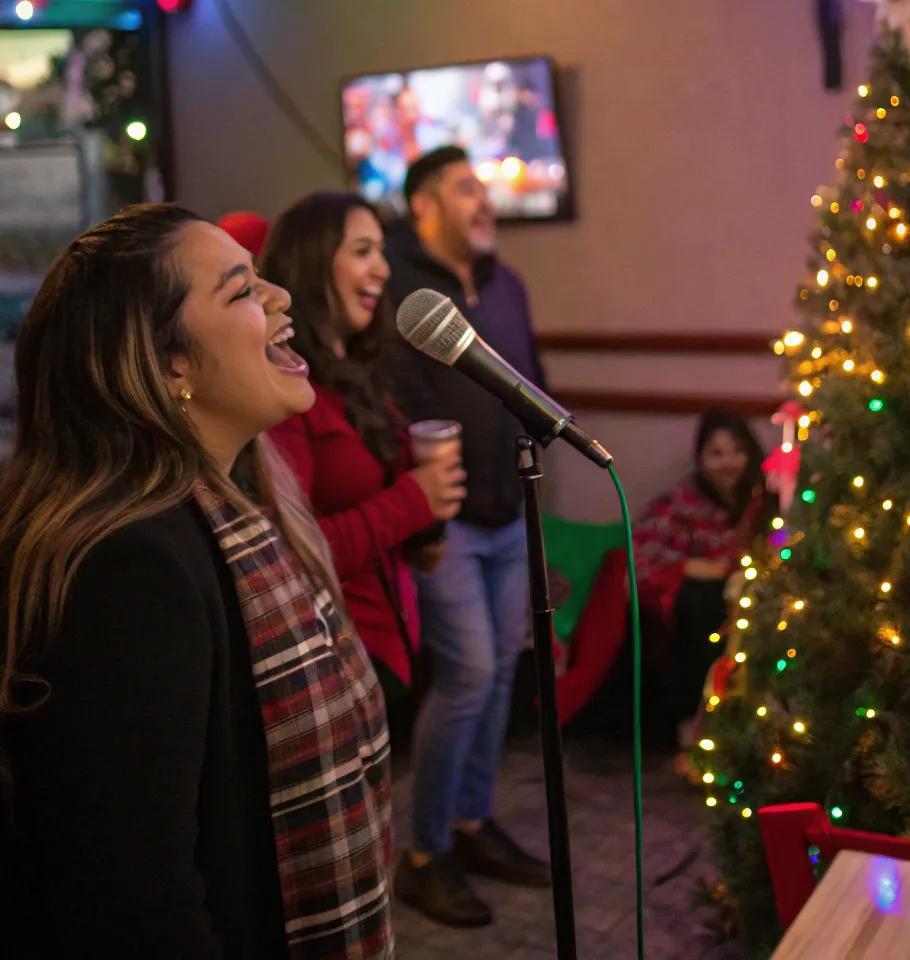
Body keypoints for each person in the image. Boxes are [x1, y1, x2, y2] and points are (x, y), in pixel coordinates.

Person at [0, 204, 394, 959]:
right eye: (242, 290)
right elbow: (135, 902)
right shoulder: (125, 569)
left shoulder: (241, 513)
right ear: (169, 363)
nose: (281, 298)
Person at [386, 146, 550, 928]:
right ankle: (422, 854)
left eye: (483, 188)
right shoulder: (403, 294)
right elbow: (397, 411)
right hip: (442, 525)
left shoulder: (509, 285)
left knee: (500, 678)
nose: (483, 202)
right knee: (468, 677)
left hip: (511, 518)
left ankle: (472, 823)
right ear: (423, 204)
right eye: (464, 188)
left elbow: (533, 385)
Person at [262, 191, 465, 702]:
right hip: (336, 653)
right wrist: (412, 502)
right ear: (311, 262)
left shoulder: (362, 376)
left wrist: (422, 530)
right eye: (362, 251)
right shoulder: (286, 391)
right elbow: (292, 553)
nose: (381, 268)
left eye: (380, 251)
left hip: (391, 640)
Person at [633, 408, 768, 779]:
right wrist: (699, 568)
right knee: (703, 612)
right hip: (699, 599)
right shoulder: (682, 501)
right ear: (701, 457)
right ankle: (694, 736)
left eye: (736, 451)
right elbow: (643, 553)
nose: (728, 463)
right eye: (716, 453)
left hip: (754, 589)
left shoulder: (763, 497)